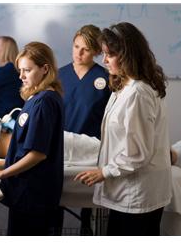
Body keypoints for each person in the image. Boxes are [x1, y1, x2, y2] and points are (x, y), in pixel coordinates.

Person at [74, 22, 172, 236]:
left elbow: (138, 154)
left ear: (127, 55)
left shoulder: (137, 92)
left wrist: (104, 172)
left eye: (110, 55)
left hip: (137, 193)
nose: (104, 60)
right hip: (131, 190)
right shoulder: (126, 86)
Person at [0, 42, 64, 235]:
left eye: (27, 70)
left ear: (45, 69)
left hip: (33, 193)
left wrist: (2, 174)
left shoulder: (44, 102)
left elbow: (37, 154)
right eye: (20, 70)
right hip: (27, 190)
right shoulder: (37, 97)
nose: (21, 76)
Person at [58, 24, 111, 235]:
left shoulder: (106, 78)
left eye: (86, 49)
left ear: (97, 52)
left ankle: (87, 231)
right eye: (76, 46)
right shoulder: (59, 75)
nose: (79, 53)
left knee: (89, 206)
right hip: (61, 147)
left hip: (90, 151)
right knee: (56, 199)